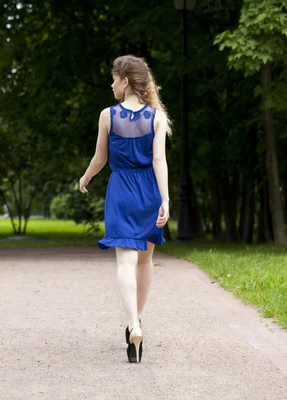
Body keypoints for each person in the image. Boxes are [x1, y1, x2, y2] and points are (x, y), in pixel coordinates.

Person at [79, 55, 171, 363]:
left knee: (125, 261)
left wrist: (86, 176)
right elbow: (159, 161)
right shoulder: (156, 118)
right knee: (144, 262)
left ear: (125, 81)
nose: (111, 83)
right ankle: (138, 322)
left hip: (120, 191)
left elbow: (100, 159)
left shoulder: (108, 116)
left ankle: (133, 323)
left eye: (114, 78)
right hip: (148, 192)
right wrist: (166, 199)